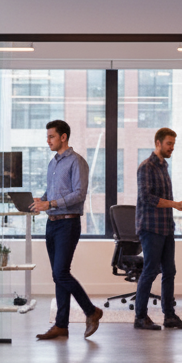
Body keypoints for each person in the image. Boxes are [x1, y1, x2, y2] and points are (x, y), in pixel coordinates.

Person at [31, 119, 104, 340]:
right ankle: (61, 325)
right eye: (47, 137)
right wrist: (40, 201)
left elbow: (79, 194)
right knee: (58, 276)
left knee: (60, 272)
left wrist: (50, 204)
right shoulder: (53, 163)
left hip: (68, 223)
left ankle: (91, 311)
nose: (48, 141)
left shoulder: (77, 162)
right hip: (51, 224)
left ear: (64, 137)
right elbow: (51, 191)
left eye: (51, 136)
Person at [133, 127, 182, 331]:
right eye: (169, 143)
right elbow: (147, 198)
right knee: (150, 271)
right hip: (150, 228)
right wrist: (175, 204)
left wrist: (177, 206)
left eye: (173, 144)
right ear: (158, 143)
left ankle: (169, 316)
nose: (172, 148)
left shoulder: (163, 166)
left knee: (170, 271)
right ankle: (140, 317)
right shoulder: (146, 167)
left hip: (166, 226)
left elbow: (162, 199)